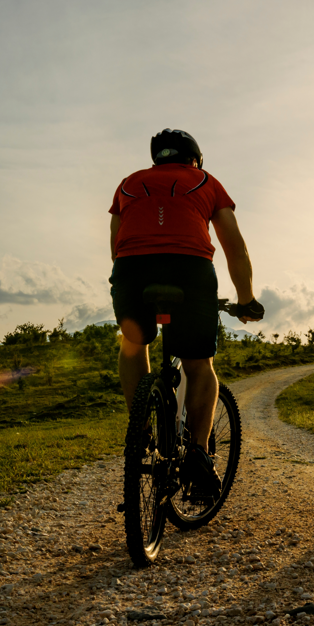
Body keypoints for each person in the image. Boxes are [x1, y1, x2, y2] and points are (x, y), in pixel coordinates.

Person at [109, 128, 264, 493]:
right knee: (198, 364)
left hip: (132, 270)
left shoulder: (129, 184)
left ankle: (140, 429)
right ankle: (197, 452)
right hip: (189, 268)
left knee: (133, 343)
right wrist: (245, 297)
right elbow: (234, 246)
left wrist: (131, 279)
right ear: (195, 158)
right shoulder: (205, 181)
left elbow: (117, 243)